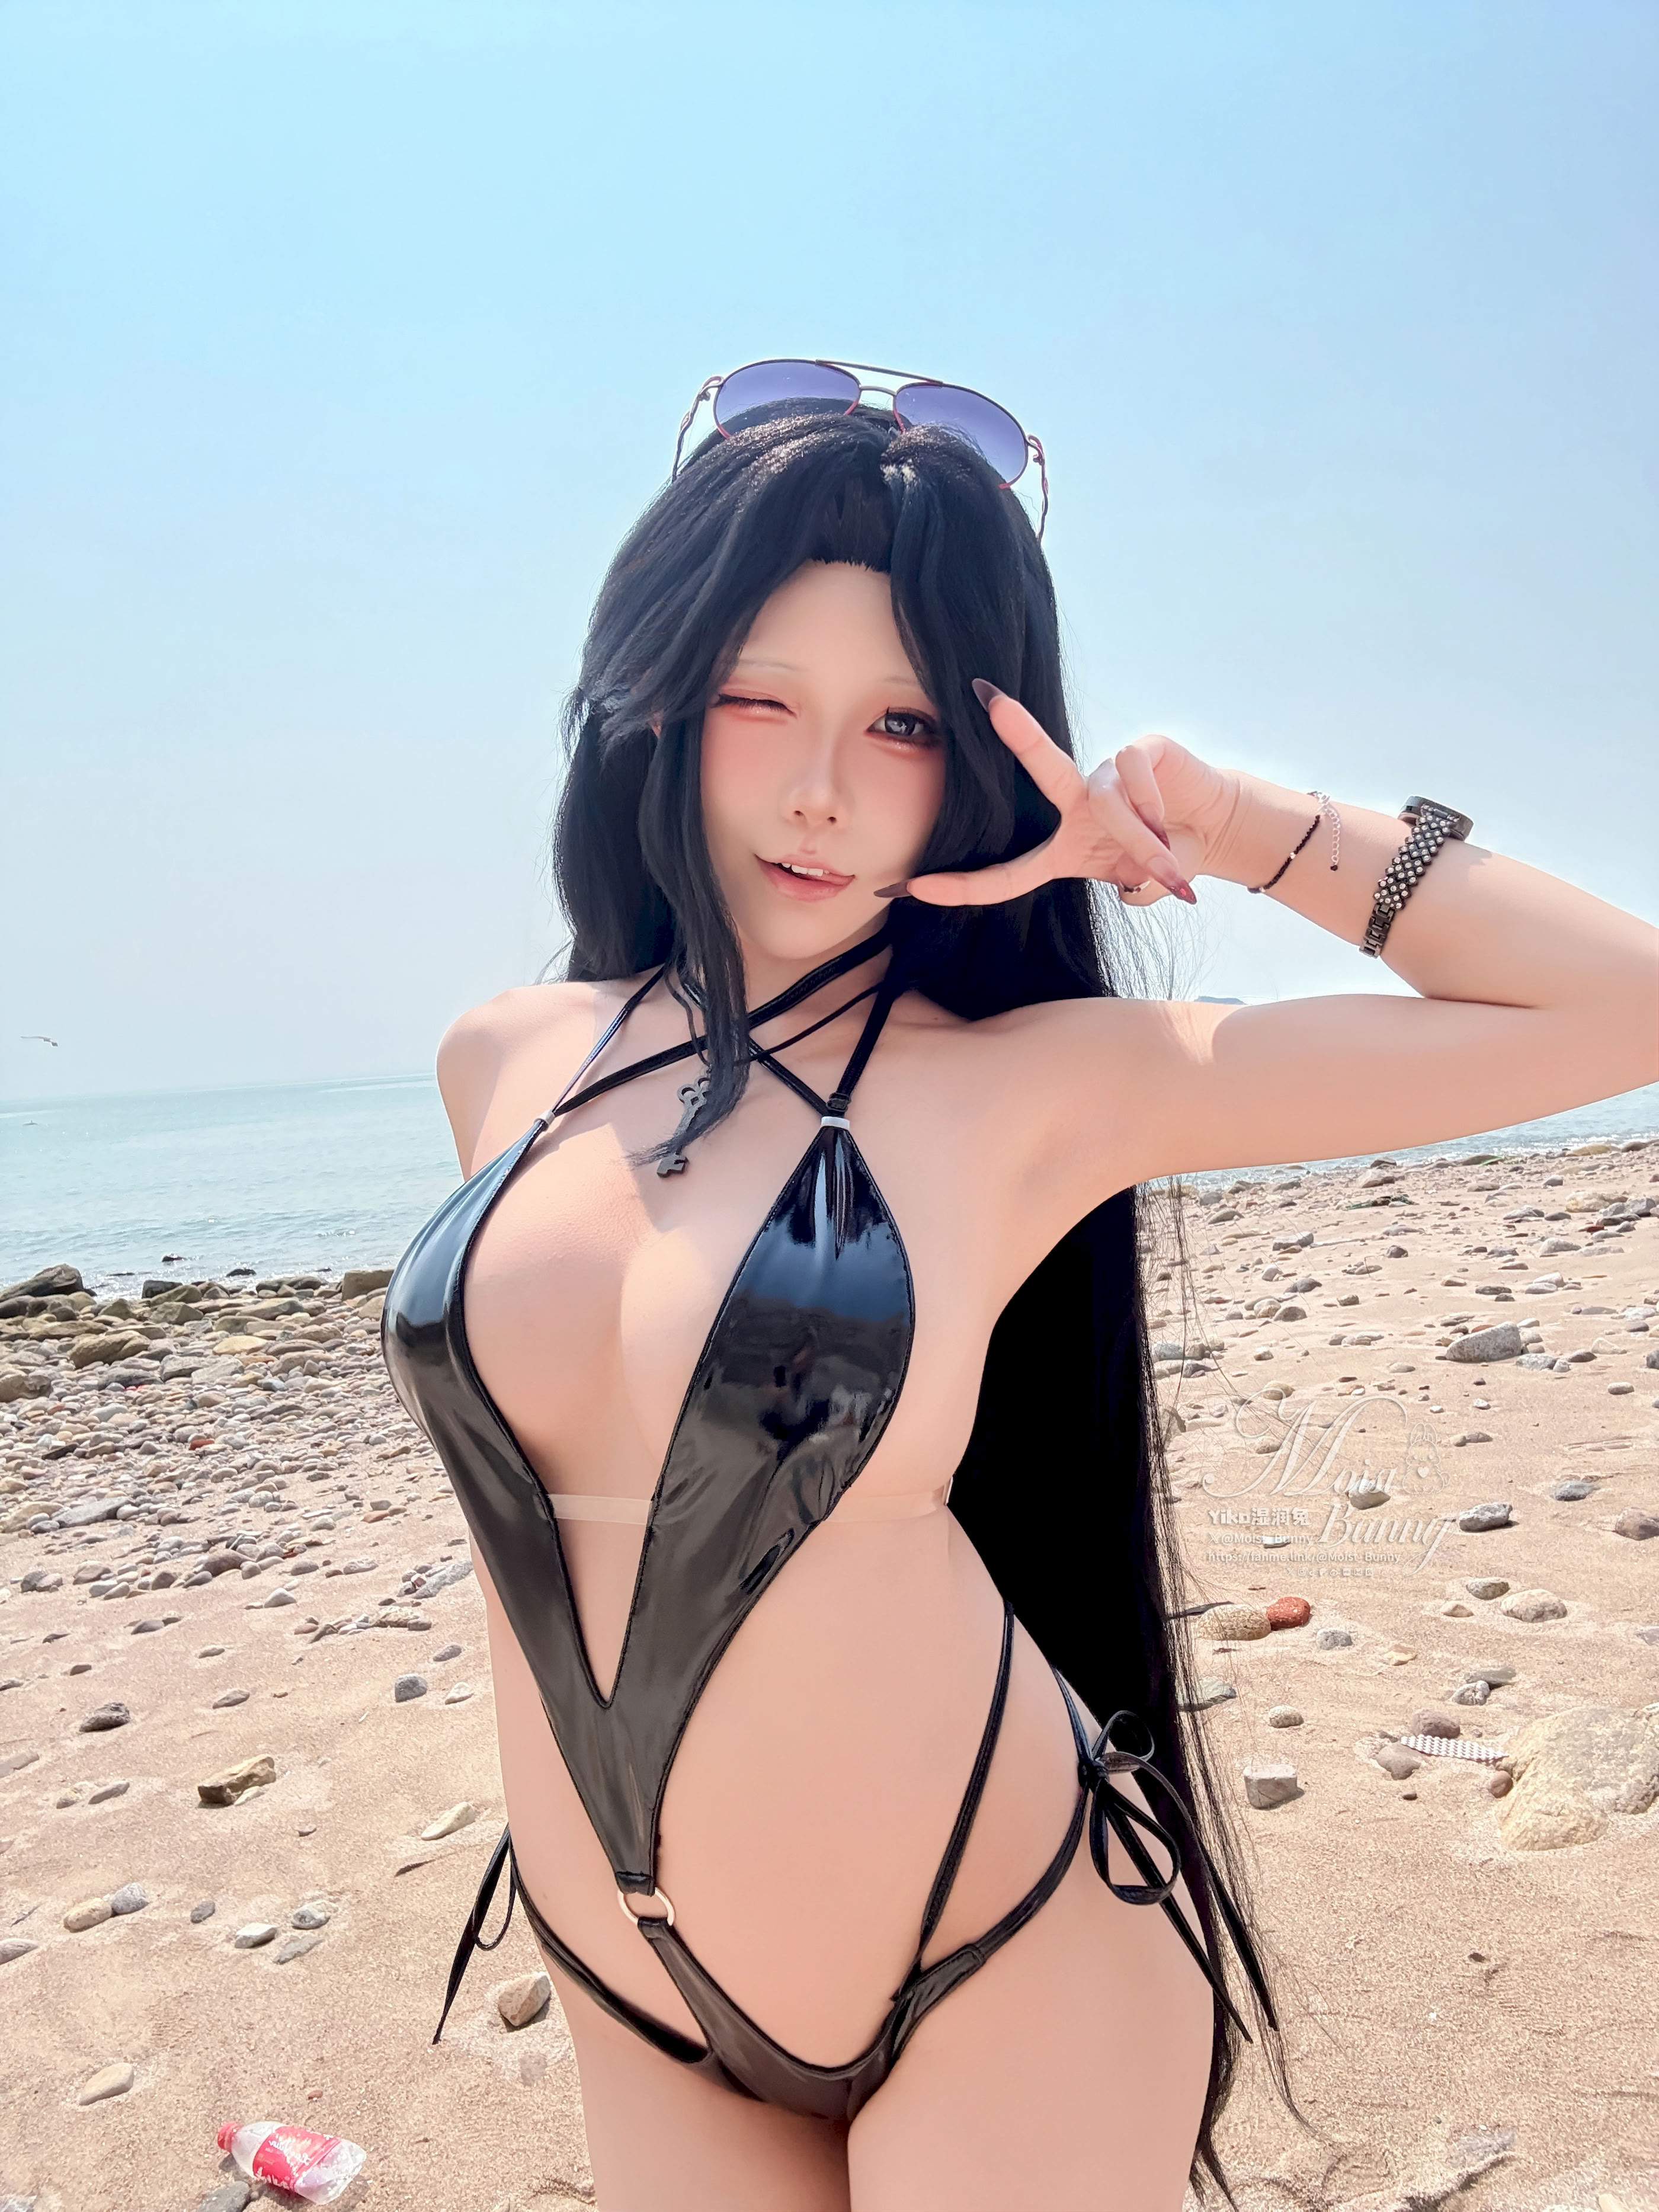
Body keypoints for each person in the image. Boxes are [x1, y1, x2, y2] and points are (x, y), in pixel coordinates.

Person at [380, 369, 1657, 2212]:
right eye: (762, 698)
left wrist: (1229, 819)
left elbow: (1620, 1007)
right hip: (634, 1995)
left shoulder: (1033, 1085)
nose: (820, 791)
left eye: (901, 723)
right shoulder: (503, 1055)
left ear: (981, 757)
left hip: (1003, 1962)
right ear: (661, 696)